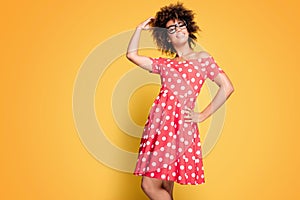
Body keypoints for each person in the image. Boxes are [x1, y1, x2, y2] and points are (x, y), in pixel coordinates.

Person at [126, 3, 234, 200]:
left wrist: (201, 115)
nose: (178, 30)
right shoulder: (165, 64)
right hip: (159, 126)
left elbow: (227, 87)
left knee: (149, 185)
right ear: (167, 37)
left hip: (179, 126)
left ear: (188, 28)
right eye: (171, 28)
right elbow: (131, 55)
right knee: (165, 187)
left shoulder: (202, 58)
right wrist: (138, 30)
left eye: (181, 25)